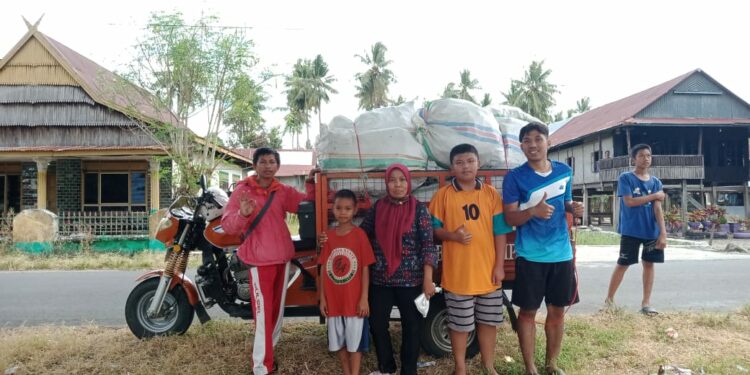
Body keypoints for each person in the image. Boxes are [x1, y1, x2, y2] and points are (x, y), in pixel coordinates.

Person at [221, 147, 318, 375]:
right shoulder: (242, 191)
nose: (267, 166)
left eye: (272, 161)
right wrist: (243, 213)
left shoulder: (281, 190)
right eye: (262, 161)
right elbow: (228, 226)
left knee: (275, 311)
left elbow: (305, 204)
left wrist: (312, 183)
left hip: (282, 258)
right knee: (263, 315)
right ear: (254, 165)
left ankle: (269, 353)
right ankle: (262, 367)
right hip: (258, 261)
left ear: (277, 165)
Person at [502, 122, 584, 375]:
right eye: (527, 140)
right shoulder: (514, 177)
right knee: (527, 313)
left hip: (561, 255)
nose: (533, 144)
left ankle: (551, 364)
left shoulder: (564, 171)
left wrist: (574, 209)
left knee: (557, 312)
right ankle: (530, 368)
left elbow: (566, 203)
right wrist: (533, 211)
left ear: (548, 142)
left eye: (538, 139)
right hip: (531, 256)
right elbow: (510, 219)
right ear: (521, 146)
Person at [429, 144, 513, 375]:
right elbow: (434, 230)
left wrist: (499, 267)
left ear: (478, 164)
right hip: (458, 275)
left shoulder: (491, 194)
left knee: (488, 322)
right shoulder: (443, 195)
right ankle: (461, 367)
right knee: (459, 325)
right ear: (451, 167)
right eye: (459, 162)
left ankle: (488, 365)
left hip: (488, 274)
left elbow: (500, 232)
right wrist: (452, 235)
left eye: (469, 161)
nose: (465, 166)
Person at [359, 163, 438, 375]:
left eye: (402, 180)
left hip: (410, 281)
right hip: (381, 279)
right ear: (387, 183)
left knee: (412, 327)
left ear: (408, 183)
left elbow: (428, 245)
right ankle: (387, 366)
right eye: (392, 180)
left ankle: (409, 370)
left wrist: (428, 278)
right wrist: (334, 236)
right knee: (376, 324)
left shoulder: (419, 209)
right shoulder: (378, 208)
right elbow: (361, 235)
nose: (397, 184)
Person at [319, 189, 376, 375]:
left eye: (347, 208)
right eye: (338, 208)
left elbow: (366, 268)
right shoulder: (327, 237)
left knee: (355, 345)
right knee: (339, 344)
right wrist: (323, 299)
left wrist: (364, 298)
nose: (342, 212)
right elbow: (323, 269)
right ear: (333, 209)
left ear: (355, 210)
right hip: (334, 302)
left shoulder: (360, 236)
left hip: (354, 303)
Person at [605, 143, 667, 316]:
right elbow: (629, 202)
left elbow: (657, 209)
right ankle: (609, 300)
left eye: (648, 155)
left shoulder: (656, 182)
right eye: (641, 155)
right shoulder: (626, 178)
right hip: (631, 230)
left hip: (651, 231)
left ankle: (646, 303)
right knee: (623, 263)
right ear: (633, 159)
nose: (645, 159)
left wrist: (663, 233)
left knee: (649, 264)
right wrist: (654, 195)